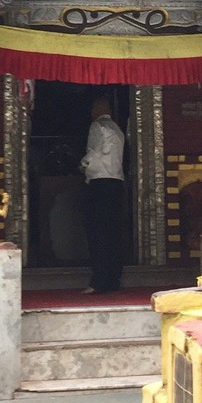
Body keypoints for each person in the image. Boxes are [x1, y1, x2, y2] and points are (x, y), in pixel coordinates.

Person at [79, 97, 125, 294]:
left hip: (100, 183)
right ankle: (113, 280)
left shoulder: (98, 127)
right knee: (114, 233)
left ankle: (97, 281)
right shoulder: (117, 130)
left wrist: (82, 165)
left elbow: (93, 153)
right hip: (117, 183)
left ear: (97, 109)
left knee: (98, 233)